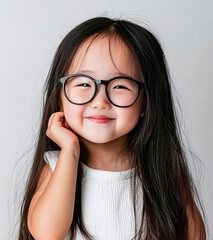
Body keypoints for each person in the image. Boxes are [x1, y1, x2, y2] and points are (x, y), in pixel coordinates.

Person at [17, 17, 206, 240]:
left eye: (119, 86)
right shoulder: (57, 165)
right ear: (60, 97)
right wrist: (70, 150)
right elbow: (47, 234)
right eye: (84, 83)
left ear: (146, 102)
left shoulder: (163, 169)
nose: (100, 101)